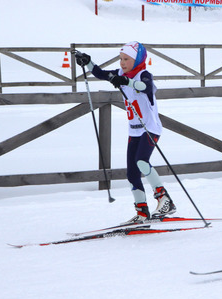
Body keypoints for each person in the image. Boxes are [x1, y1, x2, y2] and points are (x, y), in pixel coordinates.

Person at [75, 42, 176, 224]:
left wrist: (126, 81)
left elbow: (144, 86)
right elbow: (100, 73)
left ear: (136, 59)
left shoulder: (143, 75)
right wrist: (87, 62)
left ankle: (164, 199)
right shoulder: (120, 74)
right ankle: (142, 212)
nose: (122, 63)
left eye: (126, 59)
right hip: (135, 131)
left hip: (150, 128)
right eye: (120, 59)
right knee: (132, 173)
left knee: (142, 162)